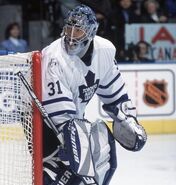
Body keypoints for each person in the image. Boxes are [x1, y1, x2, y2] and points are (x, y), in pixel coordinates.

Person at [42, 5, 147, 185]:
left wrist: (127, 118)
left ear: (91, 33)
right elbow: (61, 118)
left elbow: (116, 96)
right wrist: (78, 155)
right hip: (46, 130)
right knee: (56, 178)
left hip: (73, 125)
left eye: (79, 32)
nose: (71, 37)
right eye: (69, 29)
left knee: (100, 150)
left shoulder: (104, 50)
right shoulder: (53, 58)